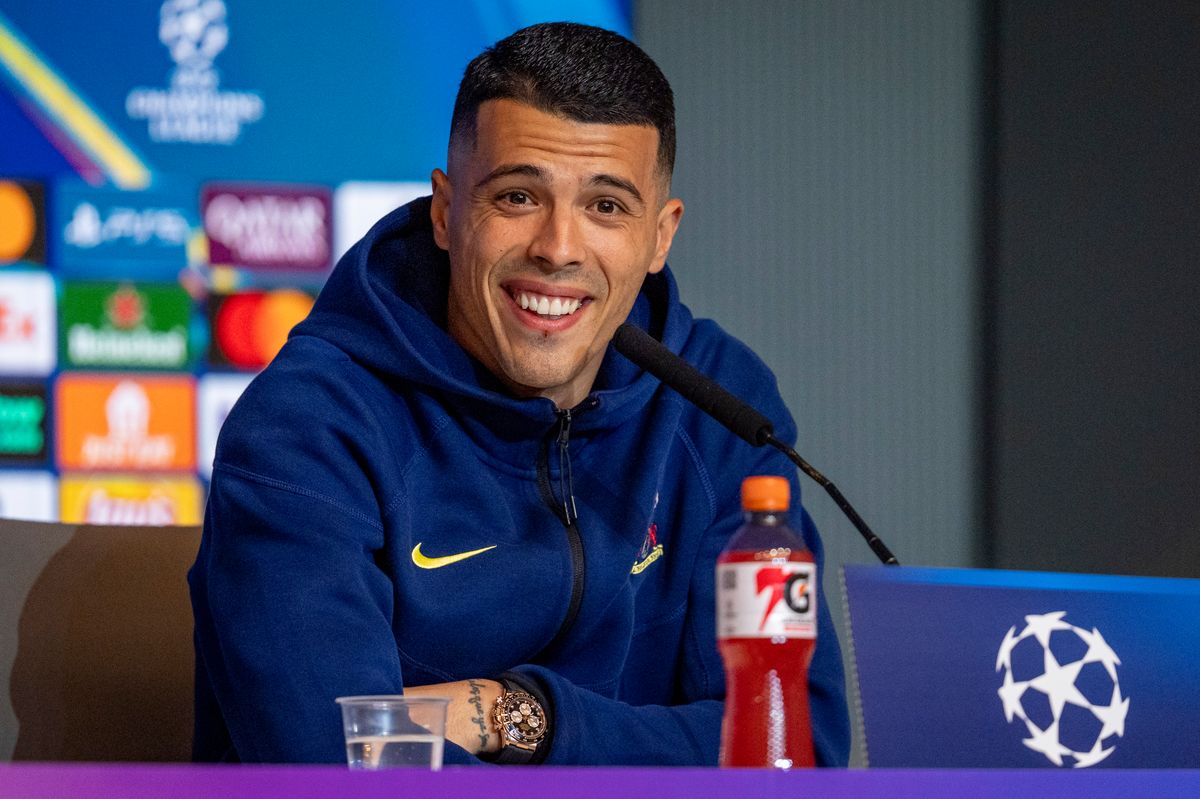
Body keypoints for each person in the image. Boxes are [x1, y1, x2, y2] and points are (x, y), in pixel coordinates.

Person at [189, 21, 849, 766]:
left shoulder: (721, 407)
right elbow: (336, 760)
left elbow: (791, 748)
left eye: (606, 207)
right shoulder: (307, 427)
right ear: (446, 213)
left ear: (661, 236)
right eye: (517, 196)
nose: (558, 247)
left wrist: (520, 716)